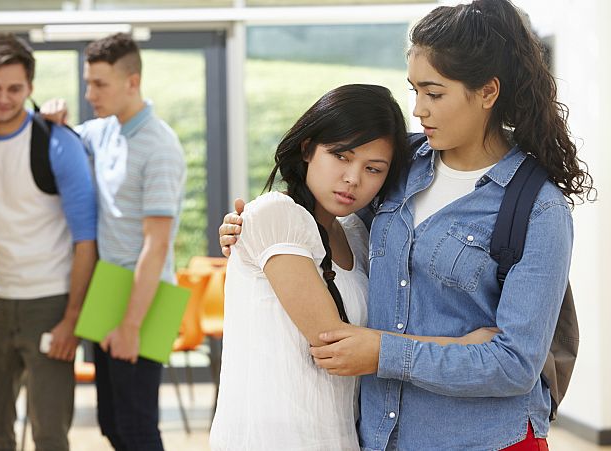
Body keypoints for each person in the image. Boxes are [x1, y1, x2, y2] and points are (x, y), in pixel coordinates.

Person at [221, 1, 593, 449]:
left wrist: (383, 352)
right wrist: (251, 229)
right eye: (414, 90)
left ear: (488, 92)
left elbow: (515, 364)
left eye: (434, 94)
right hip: (380, 438)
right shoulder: (397, 167)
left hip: (482, 440)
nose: (418, 110)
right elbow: (330, 236)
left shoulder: (538, 208)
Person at [210, 84, 500, 451]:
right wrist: (460, 346)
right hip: (271, 438)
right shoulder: (274, 214)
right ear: (307, 148)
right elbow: (334, 344)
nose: (353, 179)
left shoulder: (357, 235)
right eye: (341, 156)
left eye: (373, 169)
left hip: (340, 436)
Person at [0, 33, 97, 451]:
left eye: (15, 89)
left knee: (49, 434)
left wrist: (72, 319)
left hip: (49, 304)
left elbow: (86, 241)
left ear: (30, 89)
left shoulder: (57, 142)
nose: (3, 98)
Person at [77, 33, 186, 450]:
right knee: (111, 422)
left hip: (145, 298)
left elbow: (156, 245)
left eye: (100, 84)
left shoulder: (159, 147)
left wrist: (130, 326)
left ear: (132, 82)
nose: (91, 94)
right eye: (88, 83)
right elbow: (68, 136)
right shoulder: (103, 131)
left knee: (137, 427)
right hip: (108, 288)